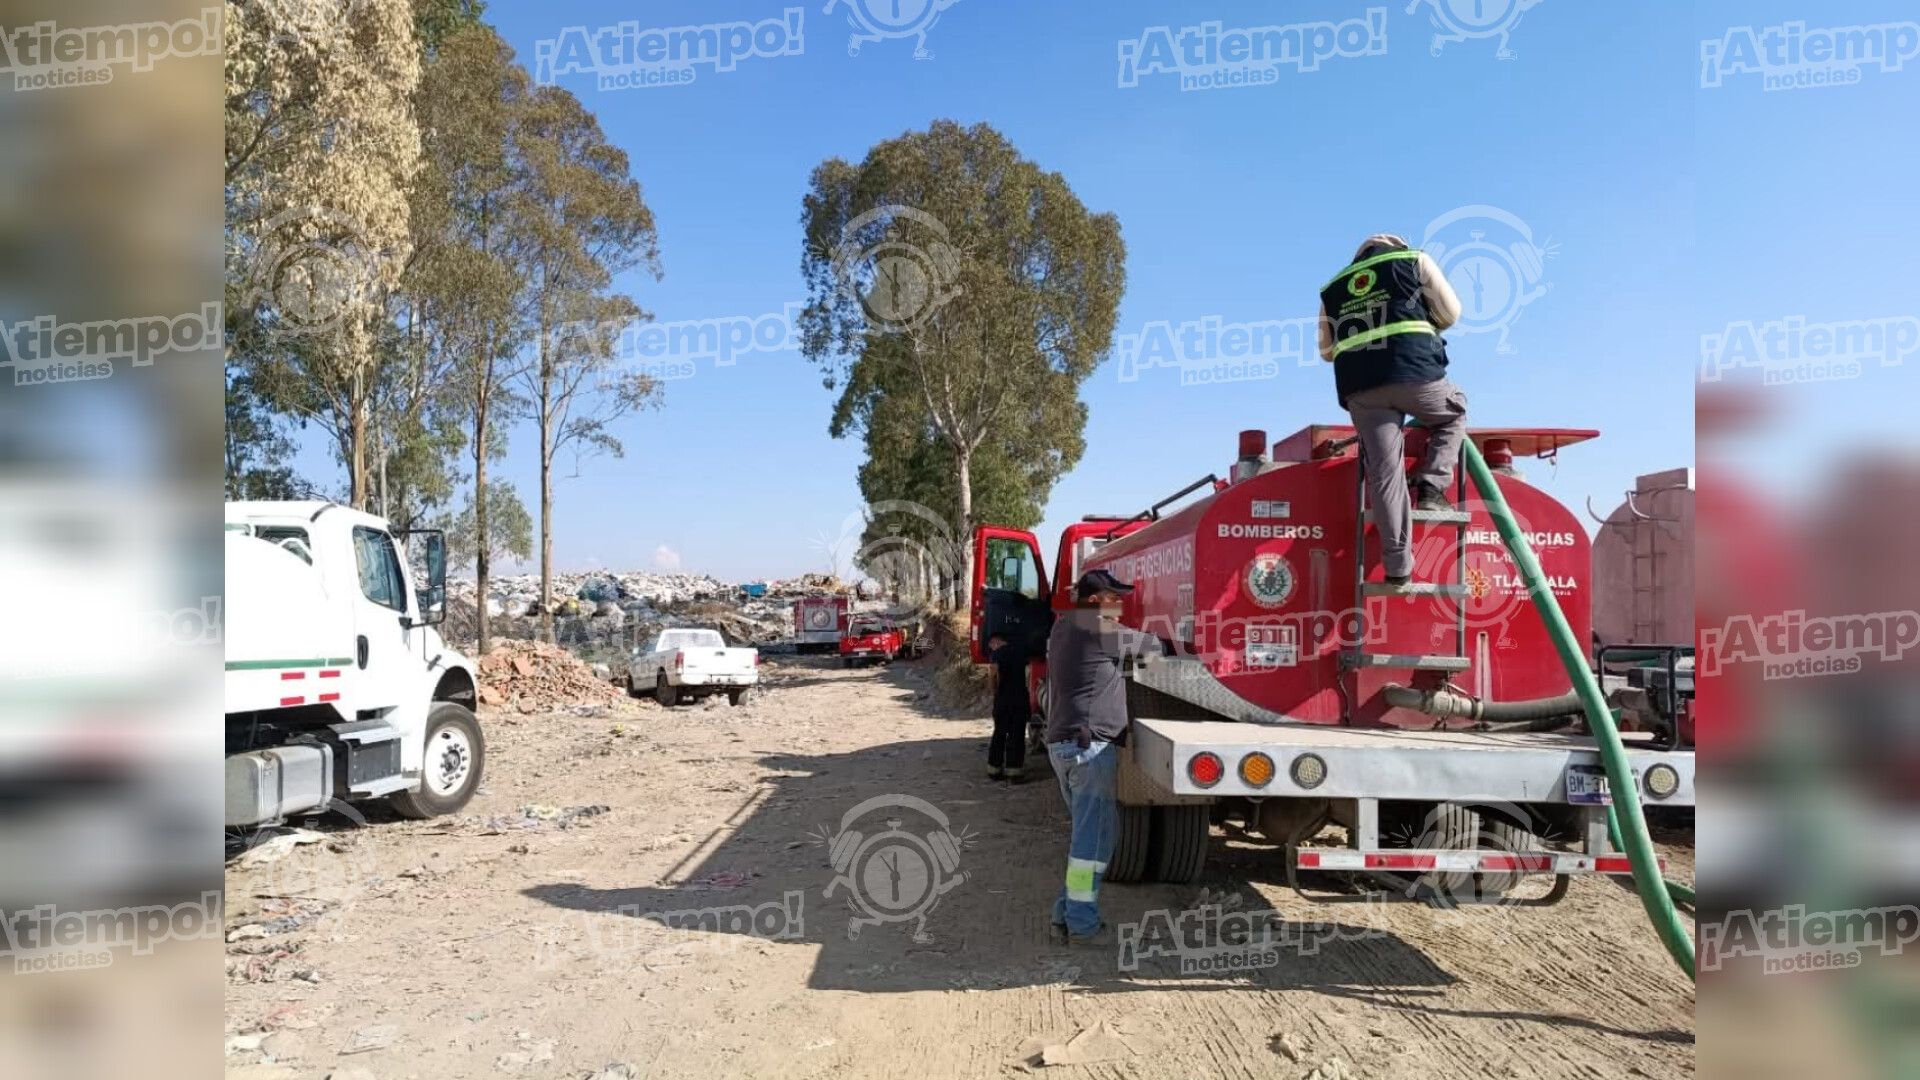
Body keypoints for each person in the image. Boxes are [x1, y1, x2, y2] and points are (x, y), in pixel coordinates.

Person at [1318, 233, 1469, 589]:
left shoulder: (1333, 287)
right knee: (1453, 413)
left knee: (1385, 473)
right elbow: (1452, 314)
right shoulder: (1414, 259)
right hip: (1415, 373)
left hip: (1361, 388)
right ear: (1395, 247)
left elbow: (1327, 351)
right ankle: (1433, 487)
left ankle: (1398, 567)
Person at [1043, 569, 1163, 946]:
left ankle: (1065, 915)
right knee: (1091, 845)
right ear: (1094, 601)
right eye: (1115, 598)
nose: (1121, 604)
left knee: (1093, 839)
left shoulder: (1064, 626)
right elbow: (1153, 646)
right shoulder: (1097, 627)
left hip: (1067, 746)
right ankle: (1081, 924)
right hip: (1088, 750)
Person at [984, 633, 1031, 783]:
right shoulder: (1021, 652)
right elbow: (1028, 675)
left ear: (995, 642)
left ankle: (994, 770)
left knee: (999, 733)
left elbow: (992, 673)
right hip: (1020, 699)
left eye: (991, 646)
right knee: (1017, 735)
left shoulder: (997, 654)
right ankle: (1014, 772)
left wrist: (995, 691)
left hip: (1003, 700)